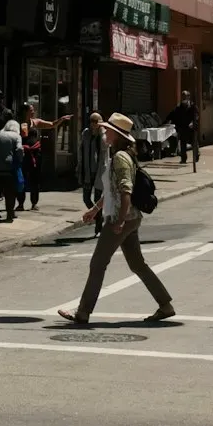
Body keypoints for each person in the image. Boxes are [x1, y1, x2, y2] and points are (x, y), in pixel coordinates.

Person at [58, 113, 175, 327]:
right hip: (130, 218)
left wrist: (119, 221)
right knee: (138, 264)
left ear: (117, 135)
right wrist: (95, 209)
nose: (104, 132)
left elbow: (125, 191)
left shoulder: (120, 157)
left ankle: (83, 312)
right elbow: (112, 192)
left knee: (97, 264)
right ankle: (165, 304)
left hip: (121, 219)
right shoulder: (120, 155)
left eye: (108, 130)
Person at [18, 100, 71, 212]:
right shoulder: (18, 124)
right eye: (31, 111)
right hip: (23, 154)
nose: (33, 112)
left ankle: (34, 203)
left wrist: (61, 120)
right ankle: (20, 203)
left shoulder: (35, 122)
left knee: (35, 179)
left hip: (35, 154)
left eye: (33, 110)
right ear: (25, 112)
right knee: (22, 179)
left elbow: (51, 124)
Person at [76, 111, 108, 234]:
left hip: (99, 171)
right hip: (87, 170)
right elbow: (81, 150)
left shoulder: (103, 135)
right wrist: (79, 166)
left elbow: (105, 152)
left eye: (96, 121)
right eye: (92, 121)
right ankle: (98, 217)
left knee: (97, 198)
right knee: (86, 198)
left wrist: (101, 132)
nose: (94, 124)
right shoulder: (86, 134)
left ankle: (98, 223)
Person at [0, 116, 24, 222]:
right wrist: (20, 159)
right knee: (10, 193)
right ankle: (10, 214)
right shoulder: (16, 136)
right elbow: (19, 149)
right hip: (10, 168)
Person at [169, 92, 198, 166]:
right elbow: (174, 116)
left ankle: (196, 155)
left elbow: (196, 116)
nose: (184, 98)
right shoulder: (179, 107)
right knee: (183, 143)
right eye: (183, 97)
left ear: (188, 97)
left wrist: (192, 122)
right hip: (182, 127)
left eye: (185, 96)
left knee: (193, 142)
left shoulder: (192, 106)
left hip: (191, 128)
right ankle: (183, 159)